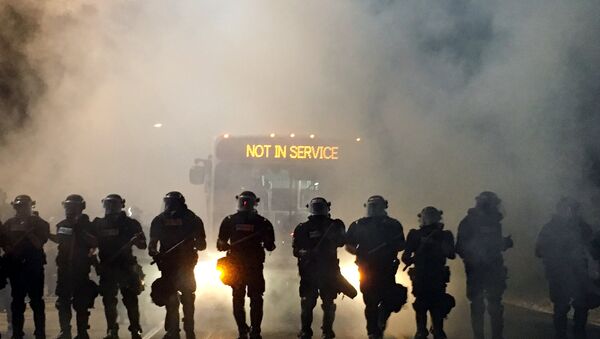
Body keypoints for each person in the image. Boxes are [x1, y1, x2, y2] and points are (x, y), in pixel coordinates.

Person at [217, 191, 276, 339]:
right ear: (255, 203)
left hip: (238, 266)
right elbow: (270, 246)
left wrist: (226, 245)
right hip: (252, 267)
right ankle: (254, 331)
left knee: (238, 298)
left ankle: (243, 331)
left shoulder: (229, 221)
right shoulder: (263, 222)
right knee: (255, 298)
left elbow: (220, 244)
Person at [345, 195, 406, 339]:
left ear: (383, 206)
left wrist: (390, 246)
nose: (373, 209)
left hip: (386, 268)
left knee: (389, 298)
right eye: (371, 206)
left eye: (376, 206)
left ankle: (381, 320)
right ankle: (372, 332)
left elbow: (401, 244)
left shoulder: (393, 225)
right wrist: (360, 252)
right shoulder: (358, 224)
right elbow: (349, 244)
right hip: (366, 268)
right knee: (370, 301)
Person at [456, 191, 513, 339]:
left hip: (491, 268)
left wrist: (503, 244)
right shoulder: (469, 222)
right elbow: (460, 247)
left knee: (493, 305)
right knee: (478, 305)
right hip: (477, 269)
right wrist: (474, 256)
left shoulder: (493, 223)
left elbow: (493, 244)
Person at [149, 192, 206, 339]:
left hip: (185, 264)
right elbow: (152, 245)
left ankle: (188, 328)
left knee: (186, 296)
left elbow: (202, 245)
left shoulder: (192, 220)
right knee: (172, 297)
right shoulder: (160, 220)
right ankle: (173, 330)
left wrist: (192, 241)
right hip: (168, 265)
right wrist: (155, 253)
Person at [536, 197, 593, 339]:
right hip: (560, 274)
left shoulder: (582, 227)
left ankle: (574, 334)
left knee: (578, 306)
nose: (572, 212)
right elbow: (539, 250)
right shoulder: (551, 228)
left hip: (575, 273)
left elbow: (594, 249)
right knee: (565, 307)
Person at [94, 194, 146, 339]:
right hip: (107, 266)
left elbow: (143, 245)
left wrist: (136, 240)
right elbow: (90, 243)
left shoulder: (131, 224)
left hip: (126, 267)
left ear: (121, 205)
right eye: (108, 205)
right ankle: (112, 329)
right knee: (109, 300)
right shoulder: (98, 224)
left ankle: (135, 329)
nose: (110, 208)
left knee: (130, 300)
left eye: (113, 205)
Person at [293, 197, 345, 339]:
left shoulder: (303, 227)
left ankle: (306, 331)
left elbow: (296, 251)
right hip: (324, 271)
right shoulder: (334, 225)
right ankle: (326, 332)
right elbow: (342, 242)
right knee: (327, 302)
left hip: (312, 271)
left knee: (308, 303)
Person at [0, 195, 49, 339]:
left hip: (34, 266)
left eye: (24, 206)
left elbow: (39, 244)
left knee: (36, 301)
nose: (21, 209)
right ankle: (17, 333)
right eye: (18, 207)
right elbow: (4, 243)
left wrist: (28, 230)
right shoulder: (8, 224)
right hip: (16, 268)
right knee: (17, 302)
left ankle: (40, 332)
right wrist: (9, 248)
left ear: (30, 206)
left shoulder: (40, 223)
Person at [402, 207, 455, 339]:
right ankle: (421, 330)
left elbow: (451, 253)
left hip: (437, 274)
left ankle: (437, 329)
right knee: (421, 304)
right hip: (421, 275)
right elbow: (406, 257)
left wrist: (437, 244)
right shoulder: (415, 234)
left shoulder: (445, 235)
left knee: (437, 304)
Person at [51, 195, 98, 339]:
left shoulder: (89, 225)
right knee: (63, 302)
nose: (69, 209)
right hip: (64, 269)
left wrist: (81, 230)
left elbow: (95, 243)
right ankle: (65, 330)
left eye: (73, 206)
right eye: (68, 206)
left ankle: (82, 332)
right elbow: (59, 239)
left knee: (81, 302)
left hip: (81, 269)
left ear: (81, 207)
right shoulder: (62, 224)